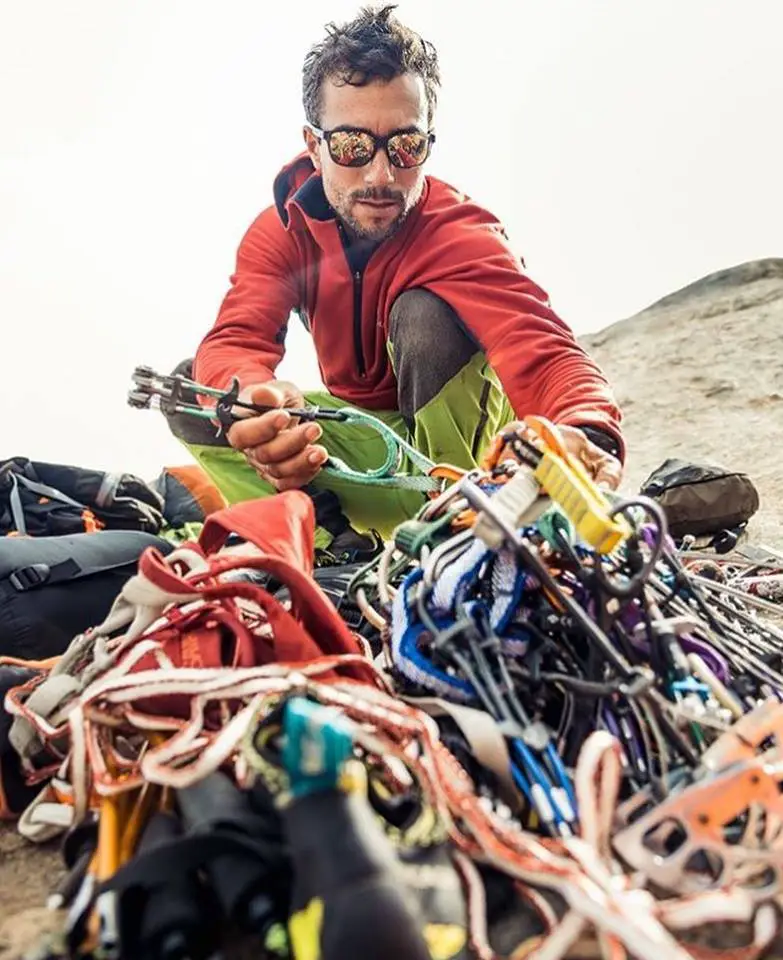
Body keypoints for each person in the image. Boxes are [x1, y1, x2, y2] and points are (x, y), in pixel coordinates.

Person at [166, 4, 625, 561]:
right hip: (360, 447)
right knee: (197, 391)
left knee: (423, 313)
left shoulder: (462, 235)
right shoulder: (280, 231)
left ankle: (459, 528)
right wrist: (253, 404)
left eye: (406, 146)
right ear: (314, 146)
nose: (381, 175)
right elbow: (235, 340)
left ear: (429, 142)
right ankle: (329, 546)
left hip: (463, 460)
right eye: (353, 147)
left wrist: (589, 435)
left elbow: (546, 352)